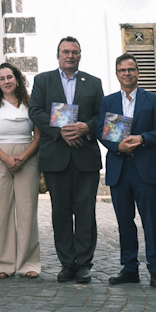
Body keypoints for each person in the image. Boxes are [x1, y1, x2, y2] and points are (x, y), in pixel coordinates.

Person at [28, 36, 104, 283]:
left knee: (85, 212)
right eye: (65, 52)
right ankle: (66, 263)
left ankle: (84, 263)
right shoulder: (43, 80)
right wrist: (59, 131)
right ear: (58, 55)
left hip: (85, 155)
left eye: (75, 52)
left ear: (80, 55)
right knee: (60, 212)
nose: (70, 56)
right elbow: (35, 111)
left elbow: (100, 116)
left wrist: (86, 127)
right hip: (56, 155)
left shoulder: (93, 83)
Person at [100, 54, 156, 287]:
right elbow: (103, 133)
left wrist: (143, 138)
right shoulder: (108, 101)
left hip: (144, 167)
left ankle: (155, 269)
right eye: (122, 70)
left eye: (131, 69)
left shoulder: (152, 100)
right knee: (124, 221)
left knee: (150, 221)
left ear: (138, 73)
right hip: (119, 167)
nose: (127, 73)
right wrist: (116, 146)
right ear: (117, 74)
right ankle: (129, 268)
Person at [0, 62, 41, 278]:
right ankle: (3, 263)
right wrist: (6, 158)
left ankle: (28, 264)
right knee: (2, 211)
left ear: (17, 79)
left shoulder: (30, 102)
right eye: (2, 78)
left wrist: (23, 157)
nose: (6, 81)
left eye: (10, 77)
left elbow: (38, 136)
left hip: (28, 157)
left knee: (27, 211)